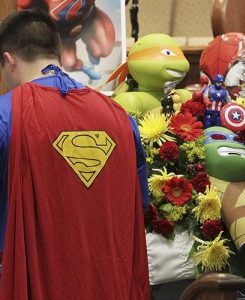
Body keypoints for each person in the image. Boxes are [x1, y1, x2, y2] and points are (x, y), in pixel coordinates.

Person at [0, 10, 150, 299]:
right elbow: (139, 204)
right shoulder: (119, 117)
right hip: (111, 287)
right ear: (57, 53)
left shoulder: (6, 115)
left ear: (9, 61)